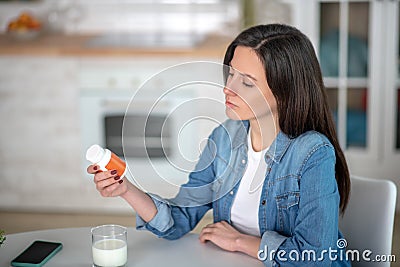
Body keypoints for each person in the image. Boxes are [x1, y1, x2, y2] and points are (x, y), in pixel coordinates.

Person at [87, 24, 351, 266]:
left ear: (284, 92)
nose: (228, 88)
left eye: (247, 83)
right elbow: (179, 219)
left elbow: (317, 258)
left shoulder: (312, 153)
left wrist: (240, 242)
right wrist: (125, 188)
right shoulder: (225, 138)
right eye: (231, 74)